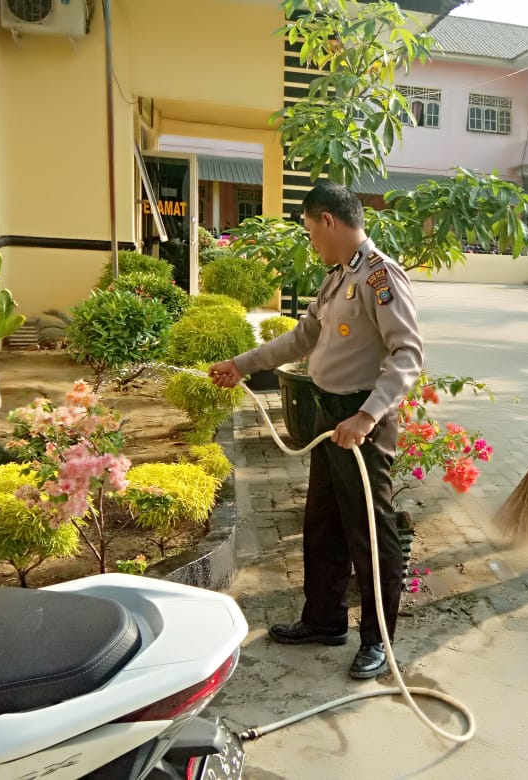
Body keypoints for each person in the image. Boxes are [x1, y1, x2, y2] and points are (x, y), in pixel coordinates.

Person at [209, 182, 423, 679]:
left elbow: (408, 356)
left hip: (361, 421)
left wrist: (367, 417)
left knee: (370, 532)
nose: (312, 242)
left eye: (311, 231)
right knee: (323, 523)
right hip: (333, 419)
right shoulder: (336, 278)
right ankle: (325, 620)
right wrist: (243, 364)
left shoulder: (379, 277)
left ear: (328, 220)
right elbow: (305, 337)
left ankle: (378, 639)